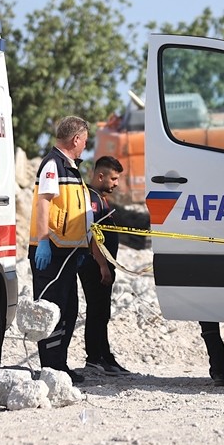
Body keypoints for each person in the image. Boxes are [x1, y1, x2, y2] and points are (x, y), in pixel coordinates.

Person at [28, 116, 93, 384]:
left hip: (67, 252)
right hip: (51, 252)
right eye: (85, 142)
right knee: (50, 310)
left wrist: (79, 248)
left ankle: (60, 365)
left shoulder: (70, 168)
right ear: (76, 139)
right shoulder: (53, 165)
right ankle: (51, 367)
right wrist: (43, 241)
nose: (85, 148)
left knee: (68, 309)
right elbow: (45, 203)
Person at [79, 155, 132, 376]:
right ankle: (96, 357)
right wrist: (102, 265)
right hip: (94, 266)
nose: (116, 183)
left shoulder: (99, 198)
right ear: (100, 176)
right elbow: (92, 236)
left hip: (102, 266)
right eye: (113, 178)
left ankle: (104, 354)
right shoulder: (91, 199)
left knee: (102, 311)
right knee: (97, 310)